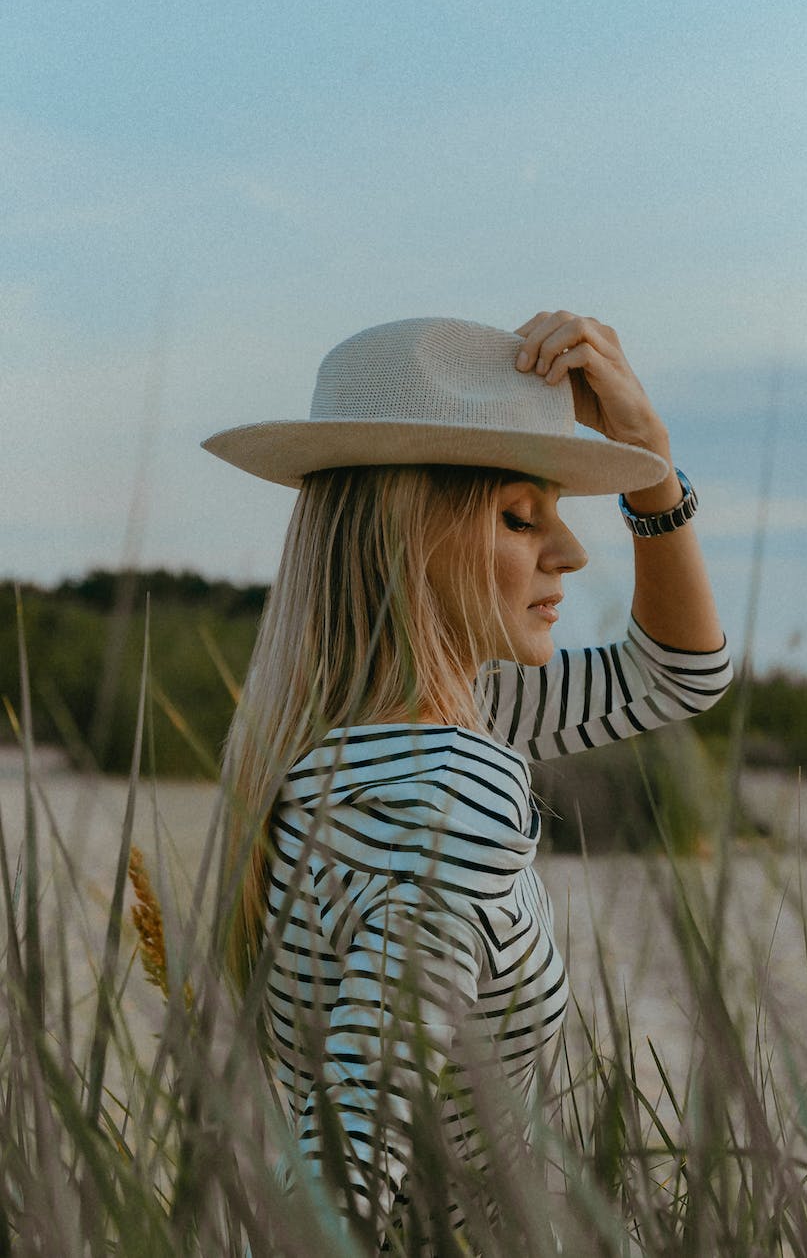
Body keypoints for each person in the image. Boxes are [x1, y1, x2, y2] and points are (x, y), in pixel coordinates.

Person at [204, 310, 732, 1252]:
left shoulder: (374, 728)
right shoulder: (446, 788)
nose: (569, 552)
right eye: (519, 518)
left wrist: (652, 471)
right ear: (408, 536)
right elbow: (351, 1150)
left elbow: (678, 675)